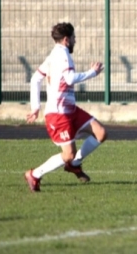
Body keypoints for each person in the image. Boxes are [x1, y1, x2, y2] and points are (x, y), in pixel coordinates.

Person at [24, 22, 108, 192]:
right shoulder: (62, 55)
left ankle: (74, 165)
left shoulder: (53, 55)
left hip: (70, 109)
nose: (75, 40)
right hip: (59, 114)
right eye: (73, 38)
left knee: (101, 133)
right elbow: (69, 79)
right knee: (68, 154)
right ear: (66, 40)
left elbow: (35, 79)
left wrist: (35, 107)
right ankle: (35, 174)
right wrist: (92, 72)